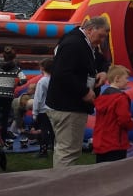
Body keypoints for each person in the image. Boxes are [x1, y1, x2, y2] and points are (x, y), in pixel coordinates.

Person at [46, 17, 109, 168]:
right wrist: (84, 92)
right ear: (90, 30)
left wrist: (103, 71)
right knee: (68, 152)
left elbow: (100, 59)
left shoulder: (84, 43)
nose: (101, 41)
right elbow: (62, 73)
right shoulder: (74, 44)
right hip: (68, 107)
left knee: (65, 149)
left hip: (69, 106)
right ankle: (63, 181)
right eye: (100, 36)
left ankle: (61, 179)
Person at [93, 64, 133, 163]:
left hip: (101, 143)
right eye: (126, 78)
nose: (128, 81)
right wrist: (131, 123)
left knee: (101, 169)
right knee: (117, 170)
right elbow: (124, 119)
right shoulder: (121, 98)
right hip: (116, 143)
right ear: (117, 79)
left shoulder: (102, 98)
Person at [0, 47, 27, 142]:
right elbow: (24, 80)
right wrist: (17, 84)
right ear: (14, 58)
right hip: (8, 95)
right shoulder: (16, 69)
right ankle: (3, 139)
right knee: (5, 118)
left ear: (3, 56)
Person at [32, 57, 54, 158]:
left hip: (43, 110)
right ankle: (54, 148)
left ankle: (43, 151)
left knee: (43, 131)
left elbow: (38, 98)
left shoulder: (42, 81)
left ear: (42, 68)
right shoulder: (54, 80)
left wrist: (35, 112)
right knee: (52, 130)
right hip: (53, 109)